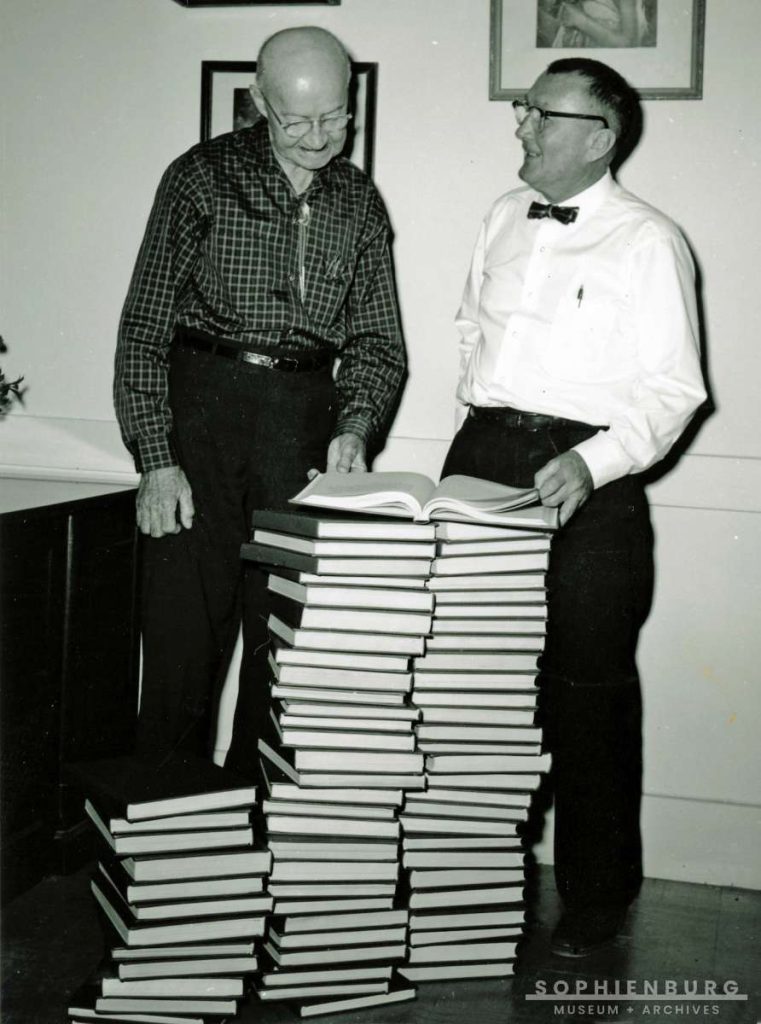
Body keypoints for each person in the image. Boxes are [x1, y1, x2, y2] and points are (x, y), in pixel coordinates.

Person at [443, 57, 705, 956]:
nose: (519, 124)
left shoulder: (647, 240)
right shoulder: (497, 216)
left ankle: (595, 900)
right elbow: (471, 335)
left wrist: (590, 464)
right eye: (522, 107)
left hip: (591, 479)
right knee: (470, 690)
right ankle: (470, 890)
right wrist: (473, 448)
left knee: (586, 692)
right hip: (480, 459)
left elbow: (673, 392)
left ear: (599, 138)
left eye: (538, 113)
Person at [114, 27, 406, 776]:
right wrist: (156, 459)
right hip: (201, 411)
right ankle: (170, 850)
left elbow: (376, 340)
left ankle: (259, 849)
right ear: (257, 106)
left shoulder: (359, 200)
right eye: (296, 120)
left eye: (335, 117)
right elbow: (144, 327)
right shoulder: (201, 177)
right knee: (182, 643)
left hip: (304, 420)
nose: (318, 138)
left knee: (288, 642)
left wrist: (356, 427)